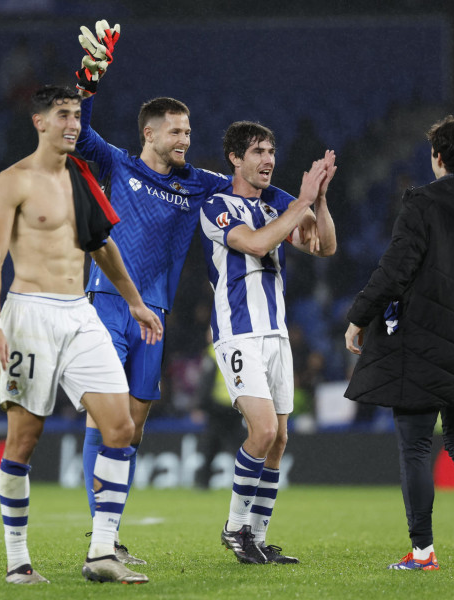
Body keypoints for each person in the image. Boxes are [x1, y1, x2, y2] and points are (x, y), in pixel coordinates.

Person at [72, 20, 318, 564]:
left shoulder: (199, 184)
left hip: (154, 315)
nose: (185, 140)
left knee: (133, 428)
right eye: (176, 132)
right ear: (150, 134)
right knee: (108, 417)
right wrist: (88, 80)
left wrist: (301, 198)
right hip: (109, 303)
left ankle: (109, 530)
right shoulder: (119, 164)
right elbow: (79, 135)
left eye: (188, 132)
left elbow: (254, 188)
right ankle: (102, 537)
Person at [0, 85, 163, 585]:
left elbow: (102, 246)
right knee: (24, 439)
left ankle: (103, 552)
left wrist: (134, 302)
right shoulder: (13, 180)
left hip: (80, 311)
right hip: (28, 315)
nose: (73, 125)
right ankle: (18, 560)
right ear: (39, 122)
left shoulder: (81, 177)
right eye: (63, 115)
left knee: (121, 426)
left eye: (78, 116)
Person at [344, 105, 454, 571]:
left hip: (421, 341)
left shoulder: (422, 202)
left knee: (416, 446)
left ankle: (423, 552)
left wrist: (359, 315)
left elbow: (396, 269)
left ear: (436, 157)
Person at [200, 121, 337, 564]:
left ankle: (257, 537)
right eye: (258, 151)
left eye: (272, 150)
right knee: (261, 430)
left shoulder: (278, 204)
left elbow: (325, 247)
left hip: (276, 334)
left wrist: (318, 199)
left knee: (278, 440)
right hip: (239, 333)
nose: (269, 159)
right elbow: (257, 245)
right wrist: (300, 202)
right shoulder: (218, 206)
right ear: (235, 159)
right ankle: (235, 527)